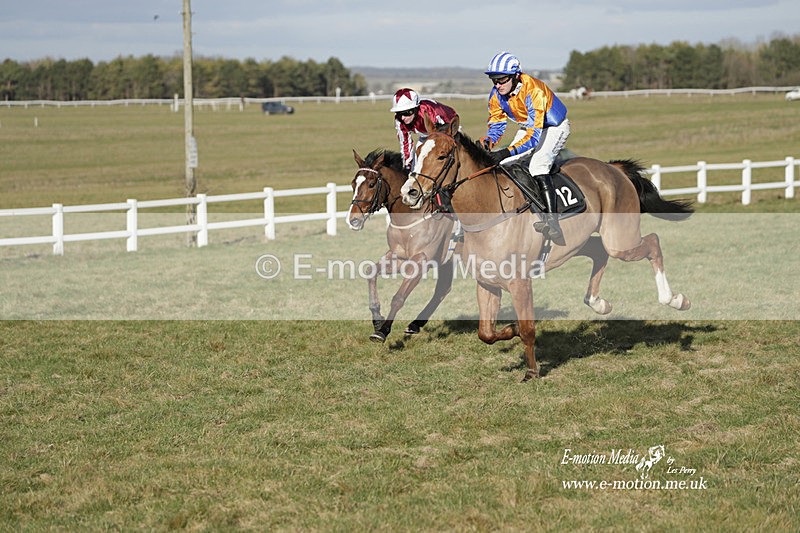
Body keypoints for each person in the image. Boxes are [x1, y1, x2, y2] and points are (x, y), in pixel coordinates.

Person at [480, 51, 570, 243]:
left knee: (537, 166)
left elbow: (532, 138)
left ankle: (552, 221)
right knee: (503, 164)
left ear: (515, 76)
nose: (497, 85)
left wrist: (506, 150)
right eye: (494, 80)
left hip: (553, 127)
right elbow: (497, 122)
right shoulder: (497, 93)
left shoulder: (533, 90)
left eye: (502, 80)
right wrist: (490, 140)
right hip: (529, 126)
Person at [390, 88, 458, 171]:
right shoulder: (399, 120)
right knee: (415, 165)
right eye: (399, 113)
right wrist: (407, 164)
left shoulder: (431, 113)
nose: (403, 117)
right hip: (425, 135)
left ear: (415, 109)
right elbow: (405, 143)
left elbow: (447, 134)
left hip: (448, 128)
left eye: (406, 113)